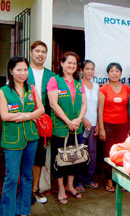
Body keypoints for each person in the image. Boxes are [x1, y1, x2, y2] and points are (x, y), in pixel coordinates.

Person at [0, 56, 45, 216]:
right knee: (11, 178)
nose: (22, 73)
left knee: (27, 176)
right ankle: (7, 212)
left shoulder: (31, 89)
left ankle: (24, 210)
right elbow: (4, 115)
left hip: (31, 137)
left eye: (25, 69)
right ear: (11, 71)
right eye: (18, 69)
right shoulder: (3, 91)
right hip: (12, 140)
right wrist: (30, 115)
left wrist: (25, 116)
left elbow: (41, 110)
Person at [47, 51, 87, 205]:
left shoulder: (79, 82)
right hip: (61, 127)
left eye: (74, 63)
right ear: (62, 63)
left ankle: (70, 185)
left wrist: (78, 119)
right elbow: (53, 104)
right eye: (68, 62)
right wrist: (67, 121)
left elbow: (84, 103)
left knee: (75, 157)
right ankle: (61, 189)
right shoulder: (54, 80)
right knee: (60, 159)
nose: (71, 65)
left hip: (77, 126)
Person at [28, 40, 54, 204]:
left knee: (38, 158)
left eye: (43, 52)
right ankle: (23, 191)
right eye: (37, 51)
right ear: (31, 53)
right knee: (22, 158)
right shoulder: (23, 70)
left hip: (42, 125)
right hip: (24, 123)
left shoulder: (50, 75)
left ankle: (35, 190)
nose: (40, 54)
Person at [98, 62, 130, 192]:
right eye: (111, 71)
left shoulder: (127, 89)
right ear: (108, 74)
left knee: (121, 153)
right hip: (108, 125)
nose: (114, 73)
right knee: (108, 153)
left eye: (117, 71)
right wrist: (101, 128)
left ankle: (121, 180)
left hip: (123, 125)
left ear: (121, 73)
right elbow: (100, 110)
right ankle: (108, 180)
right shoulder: (103, 89)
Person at [75, 60, 100, 192]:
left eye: (92, 69)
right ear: (81, 71)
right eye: (87, 69)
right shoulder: (77, 85)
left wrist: (98, 124)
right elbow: (75, 105)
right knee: (80, 152)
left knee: (92, 153)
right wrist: (83, 118)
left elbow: (98, 107)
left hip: (93, 124)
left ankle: (88, 179)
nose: (90, 71)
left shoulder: (96, 86)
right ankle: (78, 181)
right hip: (81, 124)